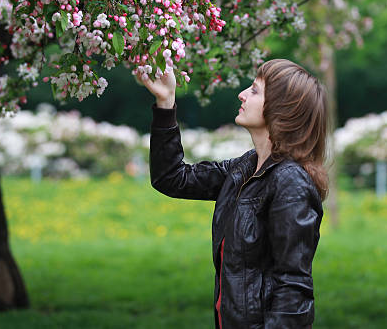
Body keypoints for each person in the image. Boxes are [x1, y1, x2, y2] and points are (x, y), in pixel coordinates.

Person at [139, 59, 328, 329]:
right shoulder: (244, 168)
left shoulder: (290, 183)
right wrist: (166, 102)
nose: (242, 94)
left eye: (254, 90)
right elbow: (172, 178)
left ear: (281, 108)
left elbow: (293, 288)